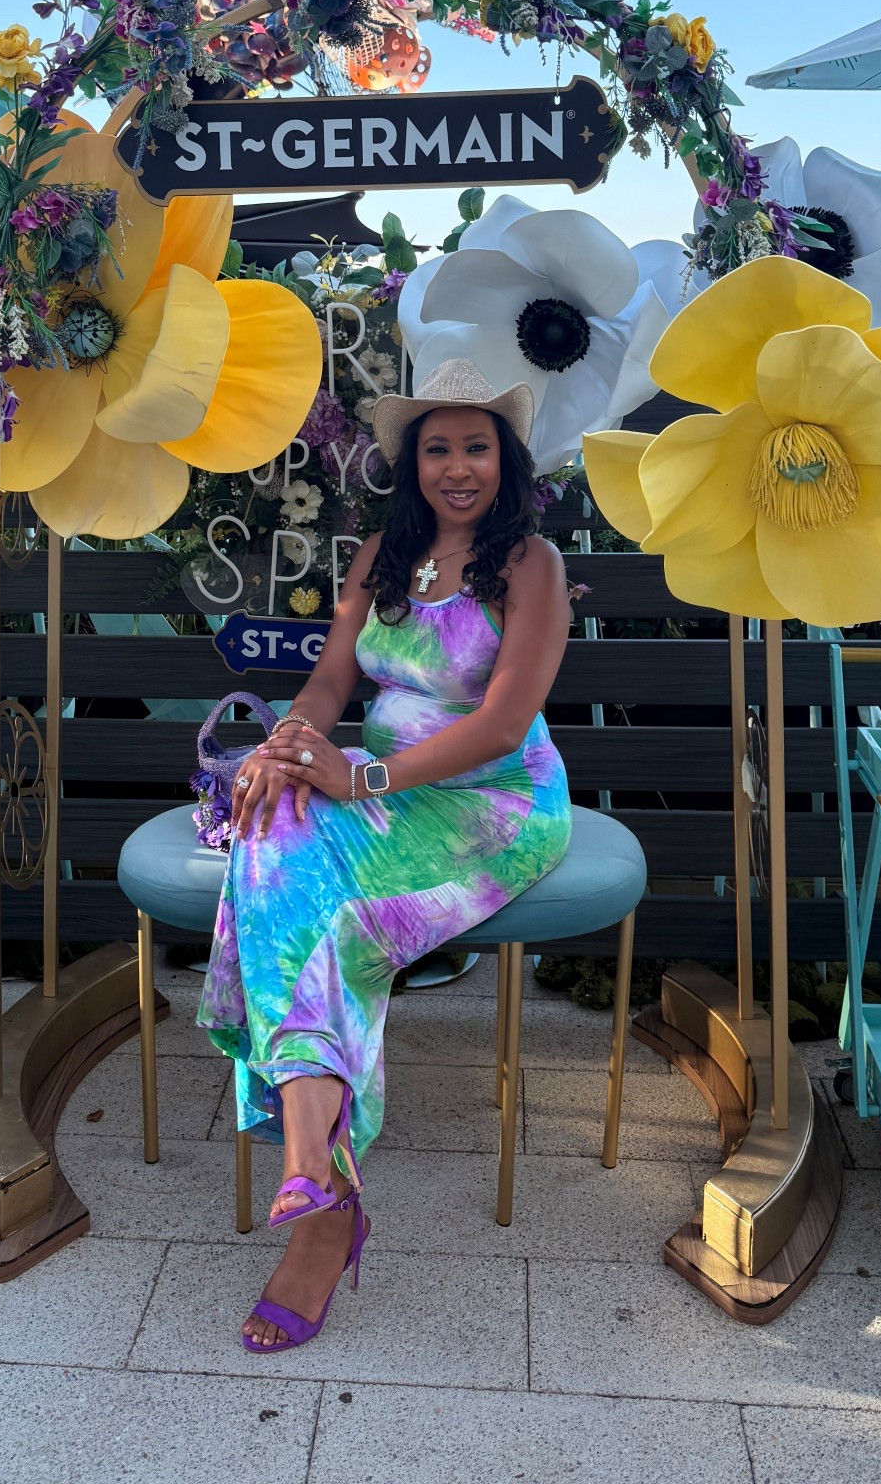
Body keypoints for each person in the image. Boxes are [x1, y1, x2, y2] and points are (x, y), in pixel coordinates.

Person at [197, 358, 572, 1353]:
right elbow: (327, 681)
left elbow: (500, 727)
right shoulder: (380, 556)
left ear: (506, 459)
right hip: (385, 779)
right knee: (269, 829)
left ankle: (320, 1213)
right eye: (439, 447)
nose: (459, 467)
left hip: (492, 803)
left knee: (342, 923)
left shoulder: (529, 565)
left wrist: (355, 778)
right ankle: (318, 1166)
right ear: (412, 463)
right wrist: (288, 743)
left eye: (477, 446)